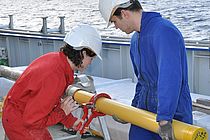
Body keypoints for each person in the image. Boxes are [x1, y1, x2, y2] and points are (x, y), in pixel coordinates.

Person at [99, 0, 193, 140]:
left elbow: (170, 78)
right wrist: (132, 111)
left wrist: (165, 118)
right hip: (145, 112)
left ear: (124, 14)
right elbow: (142, 82)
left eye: (114, 22)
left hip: (173, 114)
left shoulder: (164, 32)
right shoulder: (135, 40)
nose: (116, 27)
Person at [2, 24, 102, 140]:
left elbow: (51, 102)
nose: (91, 62)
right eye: (91, 58)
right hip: (21, 123)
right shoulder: (55, 76)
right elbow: (32, 121)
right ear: (83, 53)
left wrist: (71, 122)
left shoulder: (55, 61)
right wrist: (62, 113)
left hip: (17, 115)